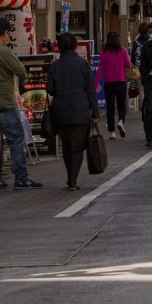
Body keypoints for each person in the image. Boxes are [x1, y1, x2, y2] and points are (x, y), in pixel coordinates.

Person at [0, 16, 42, 191]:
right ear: (5, 33)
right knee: (16, 139)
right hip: (4, 103)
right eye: (8, 34)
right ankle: (21, 179)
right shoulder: (4, 52)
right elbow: (21, 71)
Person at [47, 33, 100, 190]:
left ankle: (70, 177)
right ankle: (73, 180)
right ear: (75, 45)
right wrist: (95, 113)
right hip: (80, 109)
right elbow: (91, 89)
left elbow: (50, 89)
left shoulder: (54, 66)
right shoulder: (83, 64)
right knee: (77, 147)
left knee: (66, 146)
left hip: (61, 111)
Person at [95, 31, 131, 140]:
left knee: (110, 107)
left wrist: (96, 83)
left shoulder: (104, 52)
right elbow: (128, 65)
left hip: (109, 83)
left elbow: (100, 69)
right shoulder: (123, 51)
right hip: (121, 82)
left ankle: (112, 132)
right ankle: (120, 121)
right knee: (121, 105)